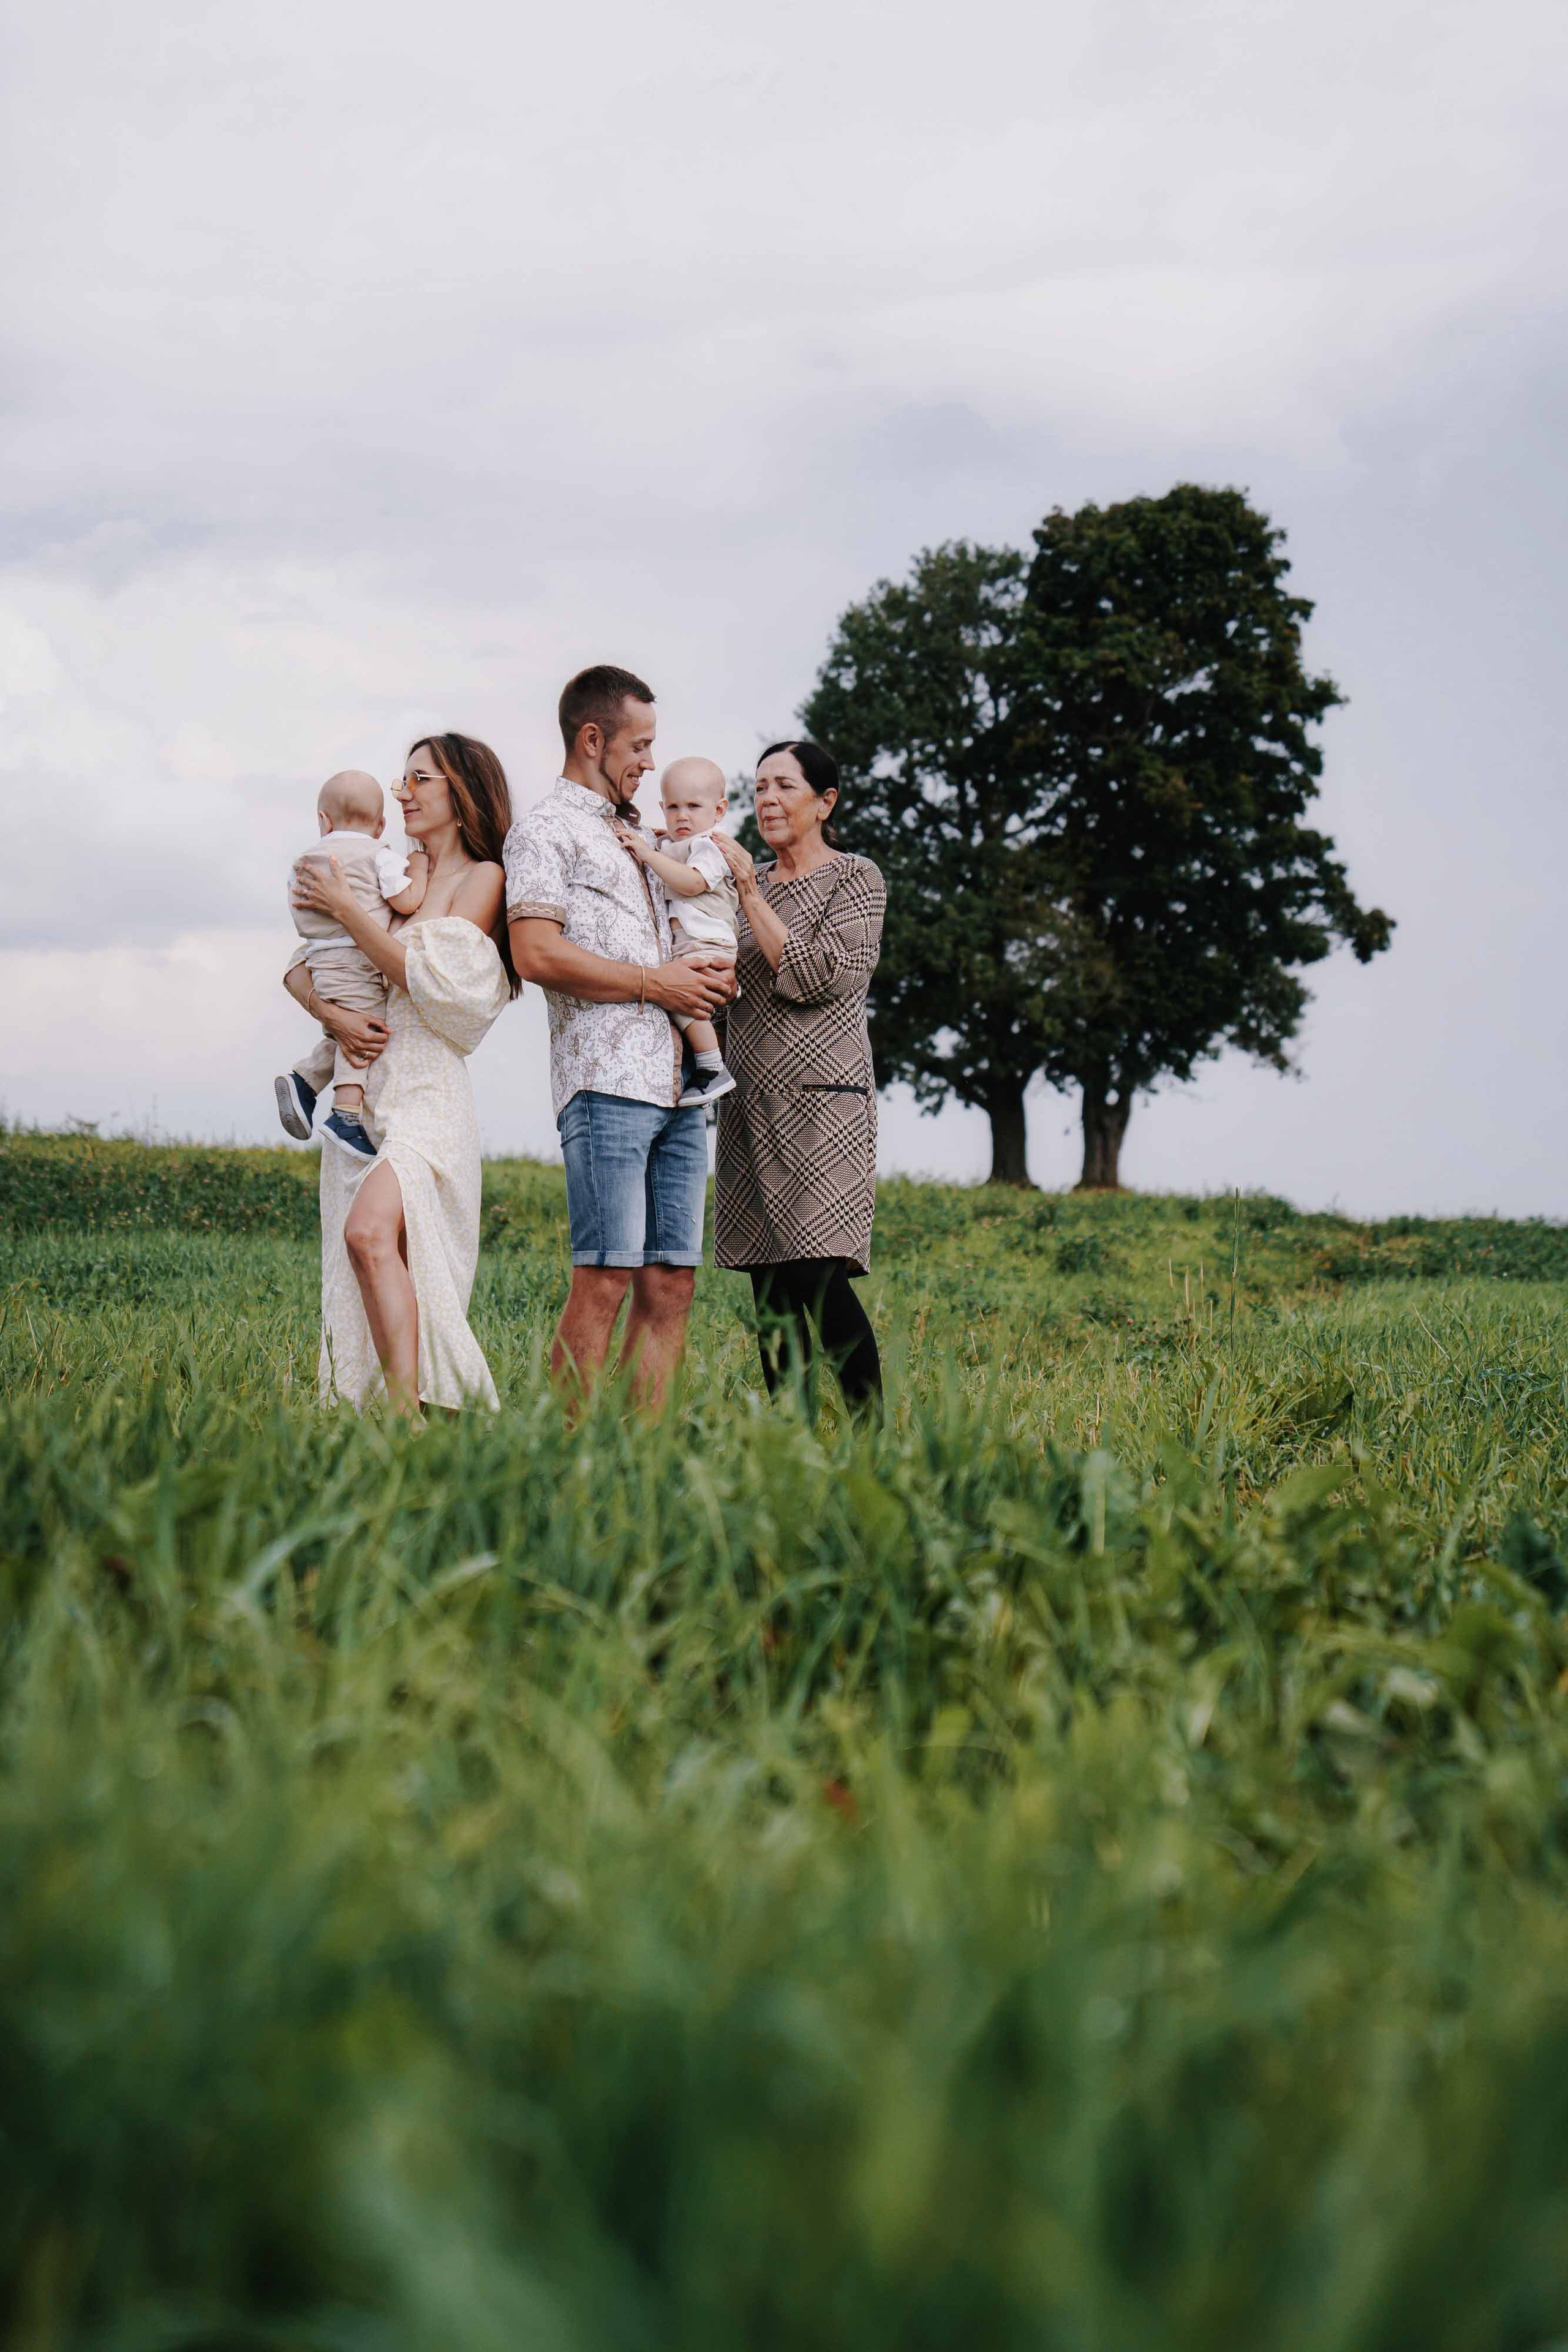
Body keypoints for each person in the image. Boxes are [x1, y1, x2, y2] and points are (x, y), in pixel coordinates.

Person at [504, 665, 733, 1409]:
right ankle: (568, 1465)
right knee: (604, 1275)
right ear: (591, 738)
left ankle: (642, 1472)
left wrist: (705, 978)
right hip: (605, 1087)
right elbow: (536, 953)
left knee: (672, 1282)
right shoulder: (545, 830)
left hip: (678, 1086)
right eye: (639, 745)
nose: (649, 762)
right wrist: (654, 985)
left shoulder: (647, 835)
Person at [283, 733, 517, 1417]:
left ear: (459, 792)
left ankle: (405, 1414)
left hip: (428, 1090)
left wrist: (349, 909)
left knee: (368, 1232)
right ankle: (402, 1413)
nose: (400, 791)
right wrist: (332, 1013)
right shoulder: (388, 870)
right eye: (401, 779)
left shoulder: (482, 879)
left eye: (418, 779)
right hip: (364, 1088)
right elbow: (305, 964)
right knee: (373, 1252)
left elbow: (429, 984)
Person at [711, 739, 887, 1415]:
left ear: (825, 802)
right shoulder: (737, 883)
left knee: (816, 1270)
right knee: (769, 1288)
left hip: (824, 1109)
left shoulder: (855, 879)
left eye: (784, 786)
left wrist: (751, 893)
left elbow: (817, 977)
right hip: (748, 1105)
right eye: (759, 788)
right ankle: (791, 1445)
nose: (768, 801)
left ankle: (874, 1441)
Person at [275, 767, 429, 1159]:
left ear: (323, 821)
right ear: (380, 826)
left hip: (319, 959)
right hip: (356, 959)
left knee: (345, 1027)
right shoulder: (379, 855)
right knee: (366, 1030)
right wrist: (421, 870)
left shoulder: (304, 862)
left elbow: (298, 913)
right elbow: (407, 902)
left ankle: (306, 1080)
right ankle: (345, 1115)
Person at [612, 754, 739, 1109]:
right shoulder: (674, 843)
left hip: (707, 941)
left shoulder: (711, 846)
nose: (683, 816)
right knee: (682, 1002)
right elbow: (669, 846)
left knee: (687, 1003)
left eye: (694, 806)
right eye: (673, 807)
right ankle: (707, 1065)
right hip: (691, 942)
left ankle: (713, 1068)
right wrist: (654, 841)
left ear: (719, 810)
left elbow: (693, 881)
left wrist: (649, 855)